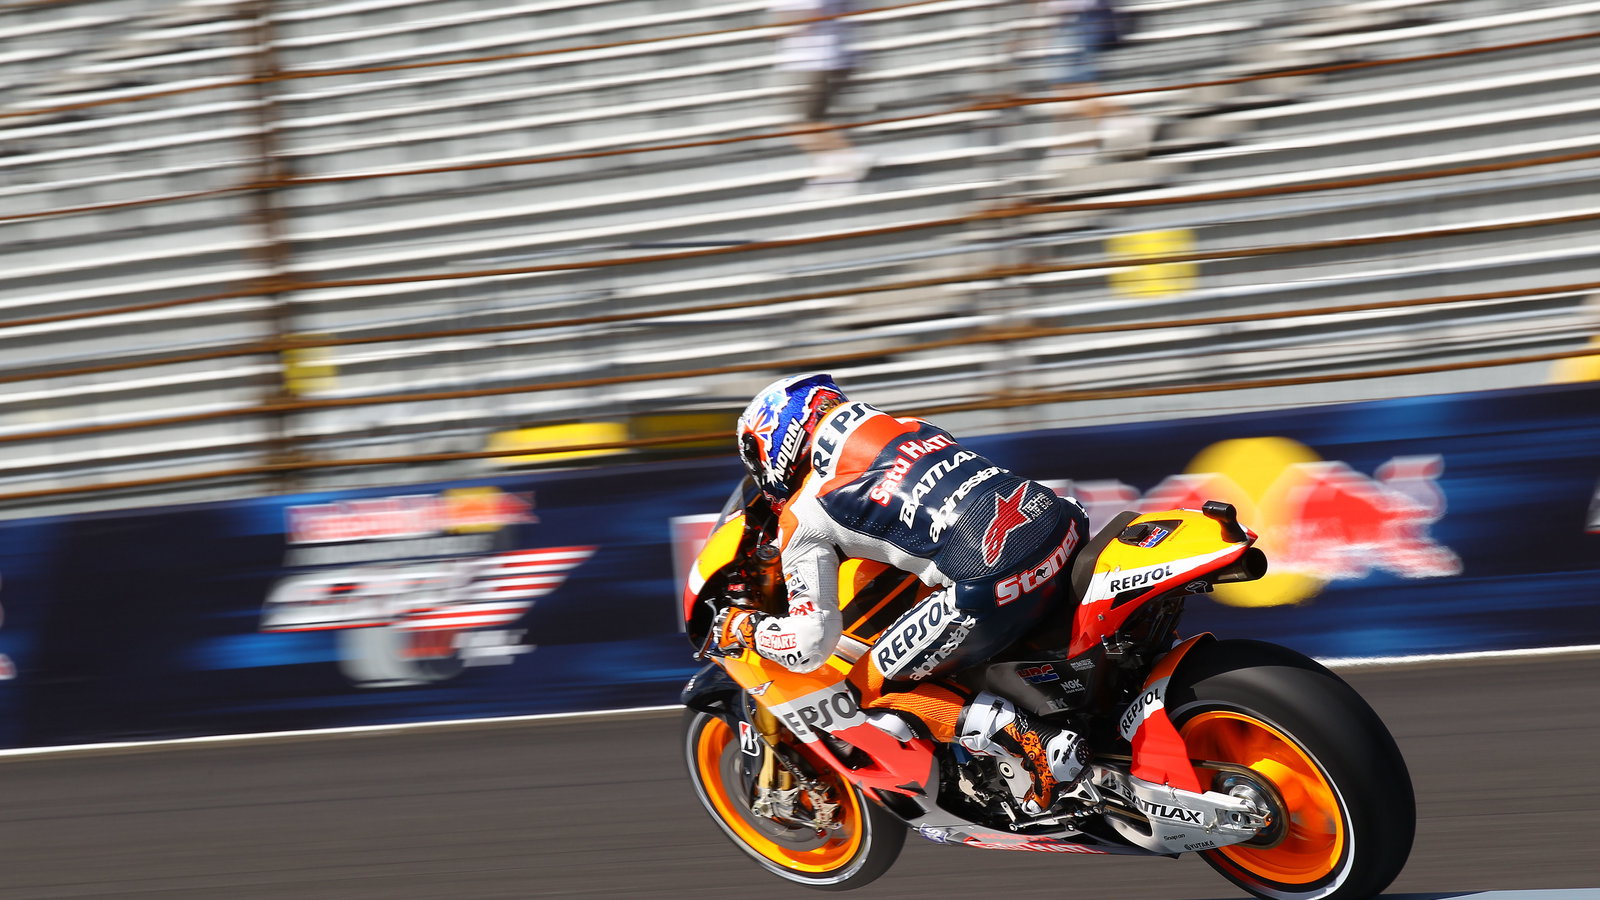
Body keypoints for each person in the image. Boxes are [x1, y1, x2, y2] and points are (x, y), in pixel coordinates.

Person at [711, 373, 1092, 815]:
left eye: (756, 460)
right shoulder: (911, 427)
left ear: (777, 440)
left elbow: (811, 645)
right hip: (1063, 525)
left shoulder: (806, 510)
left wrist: (747, 627)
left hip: (996, 582)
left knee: (862, 693)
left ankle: (1030, 740)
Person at [770, 0, 873, 197]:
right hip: (819, 57)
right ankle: (834, 170)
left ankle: (846, 160)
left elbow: (811, 12)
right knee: (804, 119)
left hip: (816, 58)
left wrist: (778, 29)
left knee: (803, 120)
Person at [1033, 0, 1153, 163]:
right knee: (1071, 88)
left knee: (1072, 86)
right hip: (1075, 20)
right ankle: (1128, 127)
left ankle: (1130, 127)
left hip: (1082, 18)